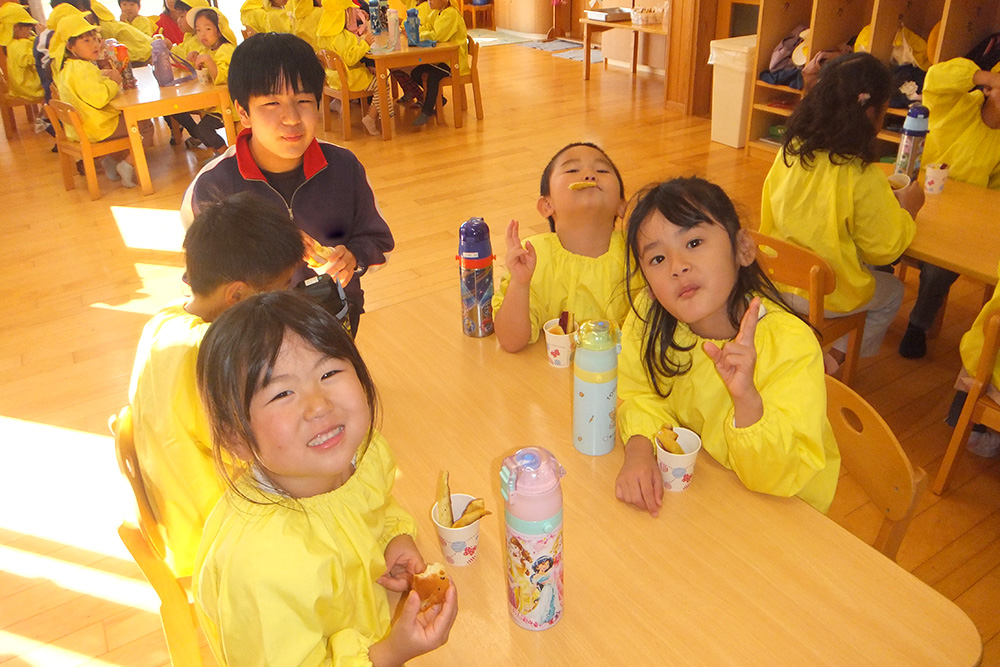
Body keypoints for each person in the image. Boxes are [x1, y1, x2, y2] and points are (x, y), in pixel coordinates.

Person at [193, 290, 459, 665]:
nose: (319, 405)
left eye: (329, 373)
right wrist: (389, 654)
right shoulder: (262, 568)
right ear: (236, 438)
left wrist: (393, 537)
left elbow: (375, 505)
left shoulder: (361, 455)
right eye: (282, 393)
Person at [614, 177, 840, 516]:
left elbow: (778, 476)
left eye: (693, 242)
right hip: (706, 492)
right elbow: (637, 394)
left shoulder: (789, 343)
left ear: (743, 249)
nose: (678, 267)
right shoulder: (649, 319)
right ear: (648, 284)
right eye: (658, 259)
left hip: (780, 508)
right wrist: (639, 448)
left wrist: (747, 400)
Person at [128, 192, 304, 578]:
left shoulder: (164, 320)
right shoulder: (215, 357)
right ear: (237, 295)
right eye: (282, 289)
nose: (289, 298)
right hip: (220, 540)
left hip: (181, 515)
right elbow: (268, 452)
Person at [181, 32, 394, 334]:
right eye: (271, 103)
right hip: (256, 332)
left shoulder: (344, 167)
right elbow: (201, 289)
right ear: (243, 112)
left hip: (333, 318)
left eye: (303, 100)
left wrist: (354, 258)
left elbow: (379, 242)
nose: (292, 118)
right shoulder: (212, 187)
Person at [759, 52, 923, 368]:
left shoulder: (791, 151)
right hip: (824, 293)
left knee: (859, 262)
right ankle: (833, 361)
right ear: (872, 112)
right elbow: (885, 250)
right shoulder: (861, 174)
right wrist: (909, 211)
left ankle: (817, 352)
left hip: (776, 279)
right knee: (892, 293)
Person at [898, 58, 1000, 359]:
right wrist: (985, 76)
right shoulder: (956, 105)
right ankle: (866, 305)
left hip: (960, 220)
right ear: (989, 89)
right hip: (915, 197)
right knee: (877, 239)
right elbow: (936, 78)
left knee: (941, 265)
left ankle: (918, 325)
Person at [493, 142, 629, 353]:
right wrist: (520, 284)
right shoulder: (535, 258)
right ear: (547, 206)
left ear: (622, 205)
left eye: (602, 170)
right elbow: (511, 341)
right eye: (572, 170)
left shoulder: (640, 252)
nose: (589, 175)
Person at [51, 13, 153, 187]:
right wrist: (114, 82)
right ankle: (127, 164)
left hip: (81, 127)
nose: (95, 45)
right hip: (96, 127)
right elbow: (100, 99)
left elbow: (88, 86)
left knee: (129, 120)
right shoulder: (82, 69)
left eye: (95, 39)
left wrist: (103, 75)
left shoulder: (68, 67)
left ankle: (111, 161)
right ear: (70, 46)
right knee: (144, 123)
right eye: (86, 41)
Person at [316, 0, 392, 137]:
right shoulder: (341, 36)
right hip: (348, 78)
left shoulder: (324, 34)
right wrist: (365, 44)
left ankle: (379, 114)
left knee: (375, 77)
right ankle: (371, 117)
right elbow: (350, 58)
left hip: (333, 78)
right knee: (382, 83)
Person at [170, 6, 236, 156]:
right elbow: (202, 74)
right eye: (198, 30)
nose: (202, 34)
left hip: (230, 104)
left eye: (208, 29)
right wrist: (193, 60)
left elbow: (222, 77)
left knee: (204, 129)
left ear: (220, 30)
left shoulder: (226, 49)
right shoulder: (207, 49)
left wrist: (207, 60)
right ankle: (219, 155)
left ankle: (227, 157)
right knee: (199, 129)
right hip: (215, 104)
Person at [407, 0, 466, 127]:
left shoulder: (451, 14)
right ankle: (438, 98)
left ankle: (426, 111)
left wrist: (418, 34)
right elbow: (426, 27)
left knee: (433, 77)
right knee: (416, 72)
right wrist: (415, 31)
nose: (429, 2)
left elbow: (436, 36)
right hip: (442, 58)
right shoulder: (436, 13)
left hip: (453, 61)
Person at [0, 3, 43, 101]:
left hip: (19, 87)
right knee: (54, 83)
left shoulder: (12, 43)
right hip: (29, 88)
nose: (30, 29)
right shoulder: (18, 45)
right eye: (27, 26)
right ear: (15, 28)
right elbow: (35, 59)